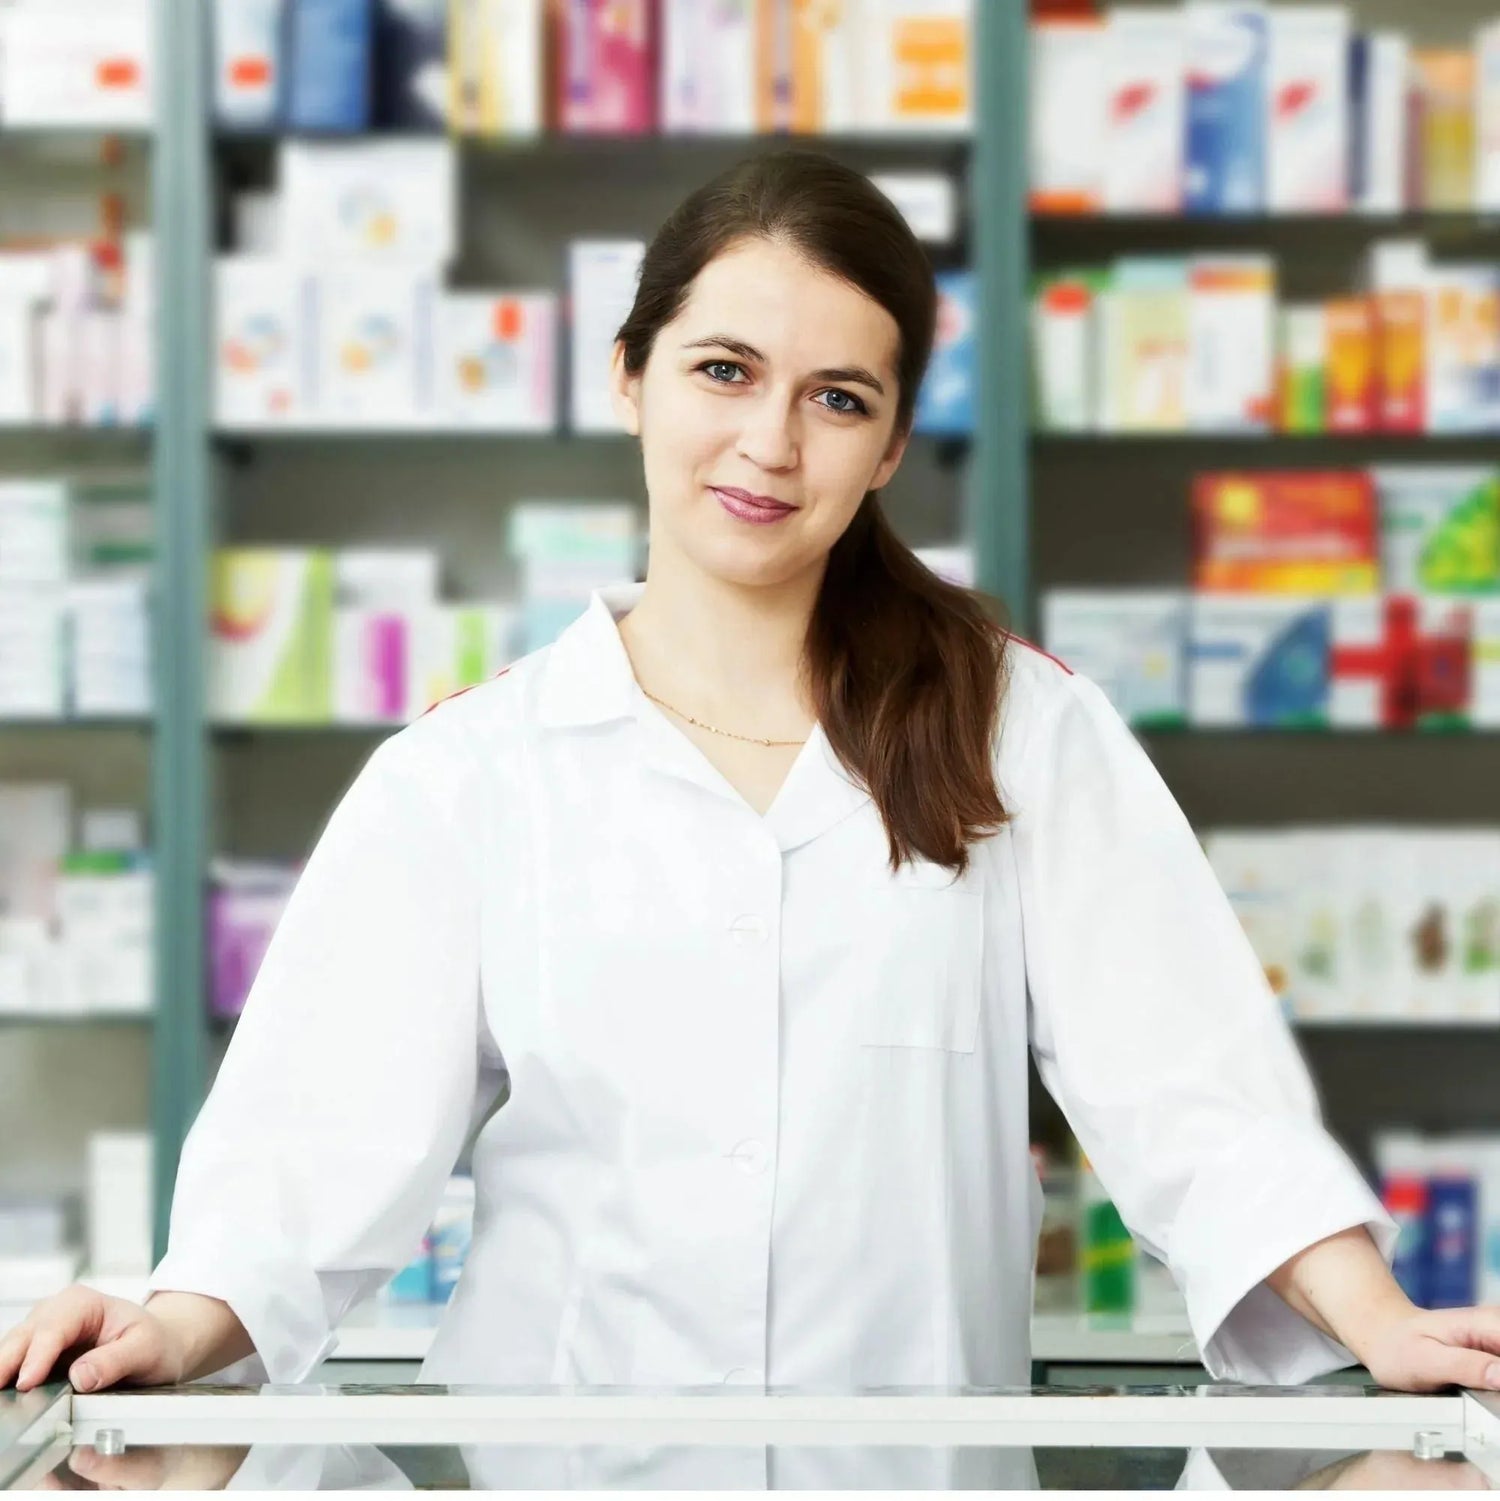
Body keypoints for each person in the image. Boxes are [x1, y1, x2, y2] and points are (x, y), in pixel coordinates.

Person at [4, 151, 1500, 1404]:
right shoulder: (470, 773)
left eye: (838, 398)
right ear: (631, 376)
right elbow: (310, 1143)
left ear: (893, 442)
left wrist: (1381, 1322)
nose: (769, 444)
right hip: (569, 1478)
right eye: (725, 370)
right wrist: (172, 1319)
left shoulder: (1021, 732)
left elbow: (1195, 1091)